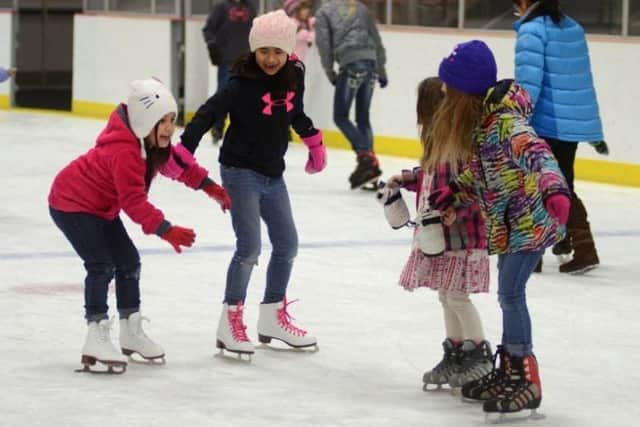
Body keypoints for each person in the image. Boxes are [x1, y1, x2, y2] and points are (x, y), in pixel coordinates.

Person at [48, 78, 232, 373]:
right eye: (163, 121)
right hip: (72, 203)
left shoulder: (151, 145)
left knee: (129, 262)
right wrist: (166, 229)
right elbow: (134, 203)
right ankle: (95, 335)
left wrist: (211, 188)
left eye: (172, 120)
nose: (170, 128)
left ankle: (131, 331)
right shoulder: (125, 152)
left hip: (101, 207)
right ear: (146, 120)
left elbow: (180, 168)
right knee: (101, 265)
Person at [427, 40, 570, 416]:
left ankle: (525, 377)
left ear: (465, 90)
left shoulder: (507, 122)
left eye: (449, 86)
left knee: (510, 294)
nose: (444, 92)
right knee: (509, 294)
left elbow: (539, 154)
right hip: (511, 223)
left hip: (532, 222)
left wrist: (555, 191)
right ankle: (509, 368)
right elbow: (482, 171)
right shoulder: (485, 122)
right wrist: (456, 193)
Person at [180, 10, 327, 358]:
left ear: (288, 50)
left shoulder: (294, 75)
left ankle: (271, 317)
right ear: (254, 50)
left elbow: (295, 114)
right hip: (239, 170)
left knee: (287, 244)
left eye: (278, 51)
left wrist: (314, 141)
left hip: (273, 173)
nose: (271, 59)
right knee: (249, 249)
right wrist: (185, 150)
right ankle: (229, 321)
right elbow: (208, 113)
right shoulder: (240, 81)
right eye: (264, 51)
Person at [386, 77, 492, 391]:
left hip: (462, 235)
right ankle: (456, 351)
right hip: (441, 235)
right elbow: (430, 177)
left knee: (457, 296)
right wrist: (405, 179)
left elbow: (472, 188)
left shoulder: (461, 147)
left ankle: (479, 353)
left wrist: (456, 210)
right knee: (447, 295)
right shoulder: (439, 146)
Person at [513, 0, 604, 274]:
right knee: (562, 183)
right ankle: (568, 243)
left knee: (535, 184)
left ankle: (537, 253)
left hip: (545, 122)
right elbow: (581, 80)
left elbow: (529, 82)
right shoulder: (573, 27)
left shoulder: (532, 30)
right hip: (570, 124)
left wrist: (519, 117)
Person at [315, 0, 387, 190]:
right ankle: (370, 167)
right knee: (363, 118)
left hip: (351, 64)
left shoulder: (324, 11)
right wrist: (381, 69)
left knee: (340, 116)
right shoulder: (360, 8)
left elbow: (323, 44)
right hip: (371, 64)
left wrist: (330, 72)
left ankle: (365, 156)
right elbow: (376, 38)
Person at [202, 0, 256, 144]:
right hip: (228, 60)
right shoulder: (221, 7)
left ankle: (244, 130)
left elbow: (256, 32)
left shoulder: (250, 7)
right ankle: (218, 127)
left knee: (246, 96)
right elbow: (208, 29)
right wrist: (213, 47)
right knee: (224, 93)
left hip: (247, 60)